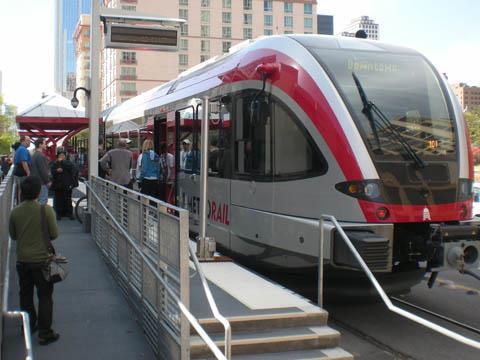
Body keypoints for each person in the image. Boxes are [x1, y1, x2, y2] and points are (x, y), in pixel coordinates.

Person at [9, 176, 60, 345]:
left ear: (22, 191)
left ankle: (28, 326)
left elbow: (13, 235)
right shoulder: (45, 210)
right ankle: (45, 333)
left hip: (23, 260)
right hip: (43, 261)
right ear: (39, 192)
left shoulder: (15, 211)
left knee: (25, 294)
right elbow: (54, 234)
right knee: (45, 296)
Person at [51, 152, 76, 220]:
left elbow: (71, 168)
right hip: (58, 184)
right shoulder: (55, 163)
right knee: (58, 200)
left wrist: (62, 161)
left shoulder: (68, 163)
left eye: (63, 155)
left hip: (67, 184)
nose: (61, 157)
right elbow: (52, 171)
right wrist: (57, 170)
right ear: (58, 156)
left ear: (65, 156)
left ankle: (69, 213)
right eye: (60, 155)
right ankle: (58, 214)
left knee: (68, 199)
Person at [30, 138, 51, 205]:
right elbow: (43, 170)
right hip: (42, 182)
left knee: (38, 201)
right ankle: (41, 215)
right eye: (44, 144)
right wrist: (48, 181)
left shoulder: (34, 155)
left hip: (36, 181)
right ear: (40, 145)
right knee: (43, 200)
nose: (46, 145)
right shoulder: (40, 156)